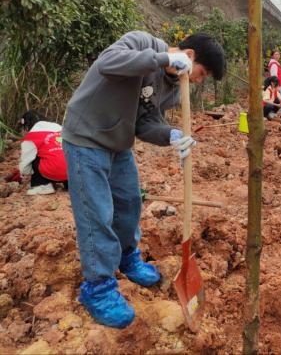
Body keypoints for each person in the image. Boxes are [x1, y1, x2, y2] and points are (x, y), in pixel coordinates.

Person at [62, 31, 225, 328]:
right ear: (189, 56)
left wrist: (170, 135)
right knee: (96, 213)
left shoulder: (173, 88)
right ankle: (98, 288)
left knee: (129, 203)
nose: (199, 81)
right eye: (202, 74)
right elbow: (108, 63)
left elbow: (144, 123)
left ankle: (127, 257)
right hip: (86, 137)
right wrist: (162, 58)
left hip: (118, 144)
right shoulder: (140, 43)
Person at [18, 110, 68, 195]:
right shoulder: (59, 127)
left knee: (34, 158)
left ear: (26, 126)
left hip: (53, 170)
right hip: (72, 171)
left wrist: (23, 173)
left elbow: (25, 166)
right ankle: (70, 185)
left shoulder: (32, 135)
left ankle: (42, 185)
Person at [267, 50, 281, 117]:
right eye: (276, 54)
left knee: (276, 100)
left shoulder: (276, 63)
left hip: (278, 85)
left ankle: (272, 114)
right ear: (272, 56)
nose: (277, 56)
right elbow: (274, 76)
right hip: (277, 85)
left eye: (278, 54)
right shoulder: (274, 64)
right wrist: (277, 86)